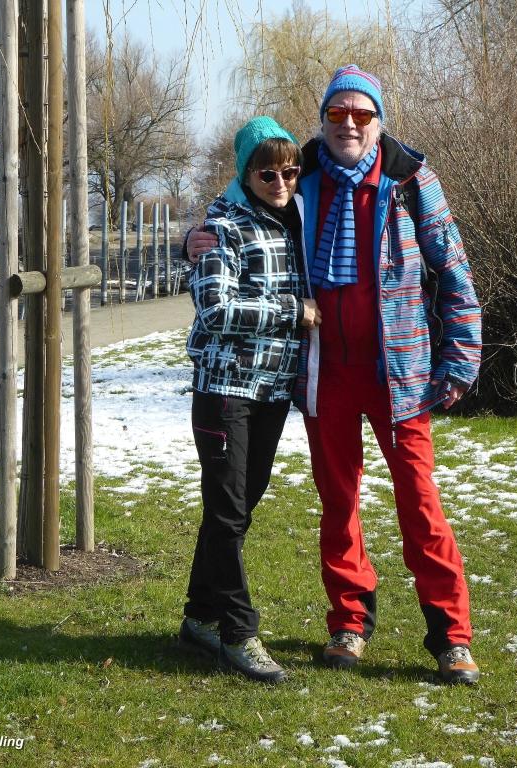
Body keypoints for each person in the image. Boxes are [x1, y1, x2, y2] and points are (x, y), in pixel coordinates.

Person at [187, 66, 483, 685]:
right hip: (325, 373)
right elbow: (243, 200)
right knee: (339, 502)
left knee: (420, 502)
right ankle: (350, 620)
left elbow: (454, 272)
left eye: (361, 114)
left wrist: (460, 359)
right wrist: (194, 236)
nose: (349, 124)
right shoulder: (304, 177)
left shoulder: (410, 181)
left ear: (378, 122)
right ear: (322, 119)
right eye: (337, 113)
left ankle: (451, 636)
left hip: (398, 374)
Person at [179, 116, 321, 685]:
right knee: (228, 511)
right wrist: (293, 311)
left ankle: (199, 617)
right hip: (225, 392)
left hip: (272, 392)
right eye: (267, 173)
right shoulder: (221, 228)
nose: (281, 182)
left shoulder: (297, 222)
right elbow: (215, 308)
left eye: (290, 171)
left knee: (235, 510)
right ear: (246, 174)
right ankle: (238, 632)